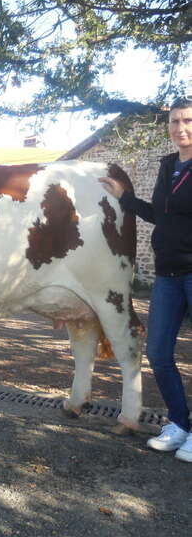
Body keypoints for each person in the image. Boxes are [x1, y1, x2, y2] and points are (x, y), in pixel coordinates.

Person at [99, 96, 192, 463]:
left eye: (187, 121)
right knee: (158, 352)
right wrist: (127, 199)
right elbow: (161, 215)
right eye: (174, 122)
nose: (180, 128)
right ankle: (180, 424)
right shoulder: (169, 165)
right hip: (168, 274)